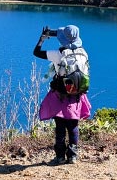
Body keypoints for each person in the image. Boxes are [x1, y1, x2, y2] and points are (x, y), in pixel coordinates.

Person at [33, 25, 91, 164]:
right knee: (73, 125)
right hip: (77, 95)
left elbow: (36, 52)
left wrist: (42, 39)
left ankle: (59, 157)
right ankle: (72, 156)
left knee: (60, 126)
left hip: (60, 95)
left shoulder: (58, 54)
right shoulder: (83, 53)